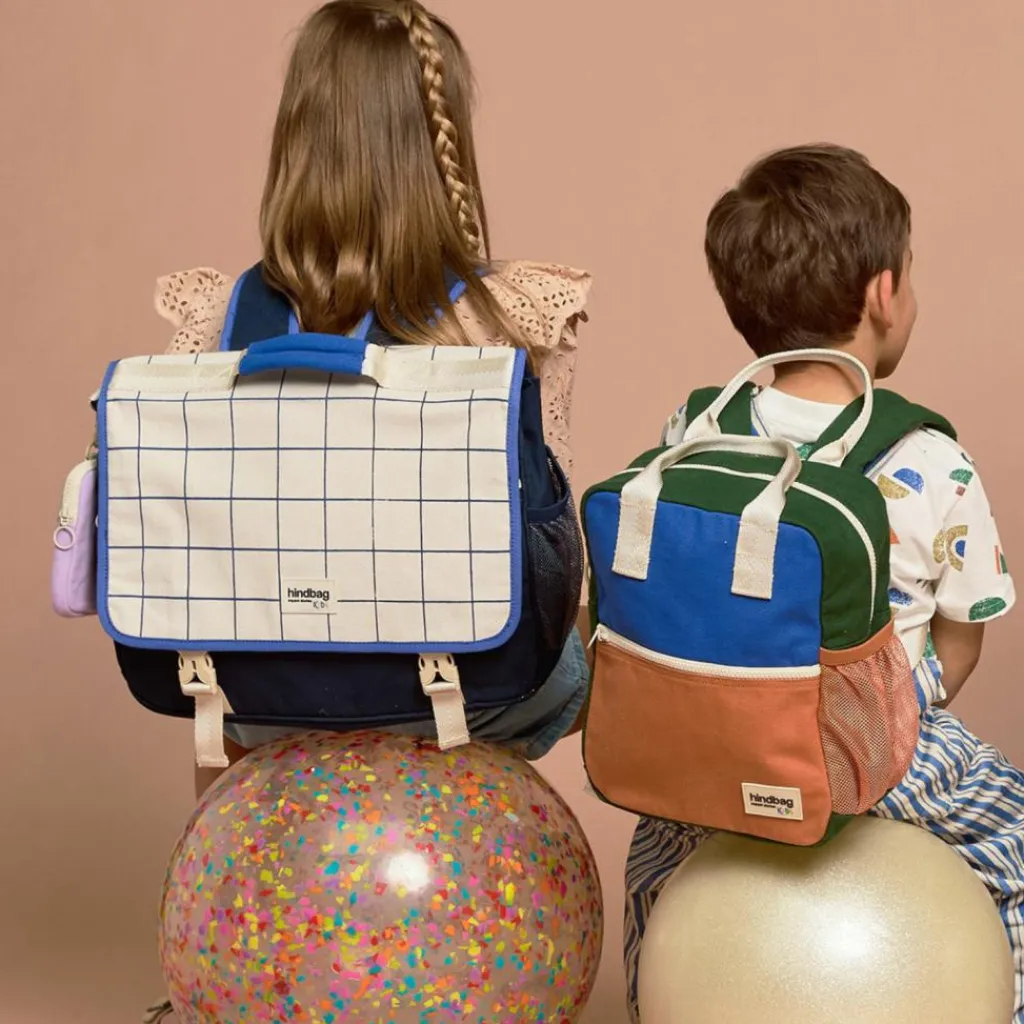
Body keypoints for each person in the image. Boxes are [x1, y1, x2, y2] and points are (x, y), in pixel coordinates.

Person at [151, 0, 592, 798]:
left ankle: (232, 831)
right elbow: (550, 551)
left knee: (220, 677)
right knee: (573, 640)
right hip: (462, 695)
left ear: (296, 135)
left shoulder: (224, 317)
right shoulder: (504, 317)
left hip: (264, 699)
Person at [623, 144, 1021, 1022]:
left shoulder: (696, 426)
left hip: (712, 744)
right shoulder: (931, 457)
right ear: (884, 293)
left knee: (659, 866)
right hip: (874, 755)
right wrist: (897, 711)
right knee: (1015, 841)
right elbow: (961, 641)